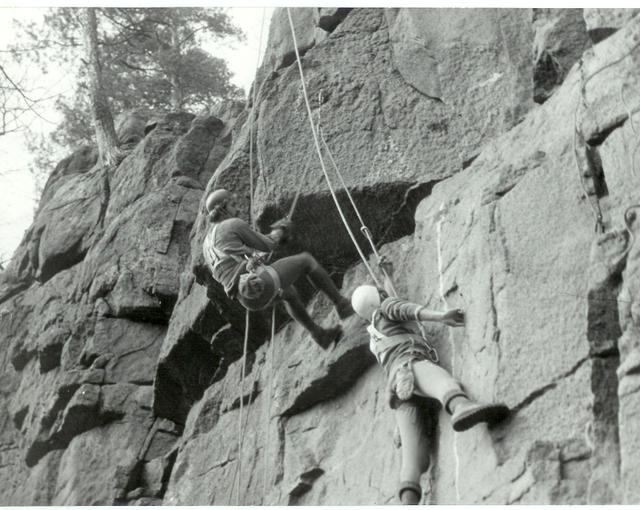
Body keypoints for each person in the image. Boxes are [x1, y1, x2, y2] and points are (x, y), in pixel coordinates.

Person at [350, 259, 509, 504]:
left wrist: (386, 277)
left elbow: (394, 307)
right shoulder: (386, 309)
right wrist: (441, 316)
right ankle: (461, 407)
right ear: (378, 298)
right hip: (412, 365)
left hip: (397, 389)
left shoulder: (375, 339)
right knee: (442, 383)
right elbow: (405, 310)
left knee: (414, 460)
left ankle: (408, 502)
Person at [202, 188, 353, 349]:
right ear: (222, 209)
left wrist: (252, 260)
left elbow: (227, 269)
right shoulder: (231, 225)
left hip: (246, 298)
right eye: (232, 204)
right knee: (306, 261)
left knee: (288, 293)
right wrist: (280, 231)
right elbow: (269, 245)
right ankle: (342, 305)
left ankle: (319, 335)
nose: (237, 208)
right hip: (260, 282)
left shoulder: (207, 244)